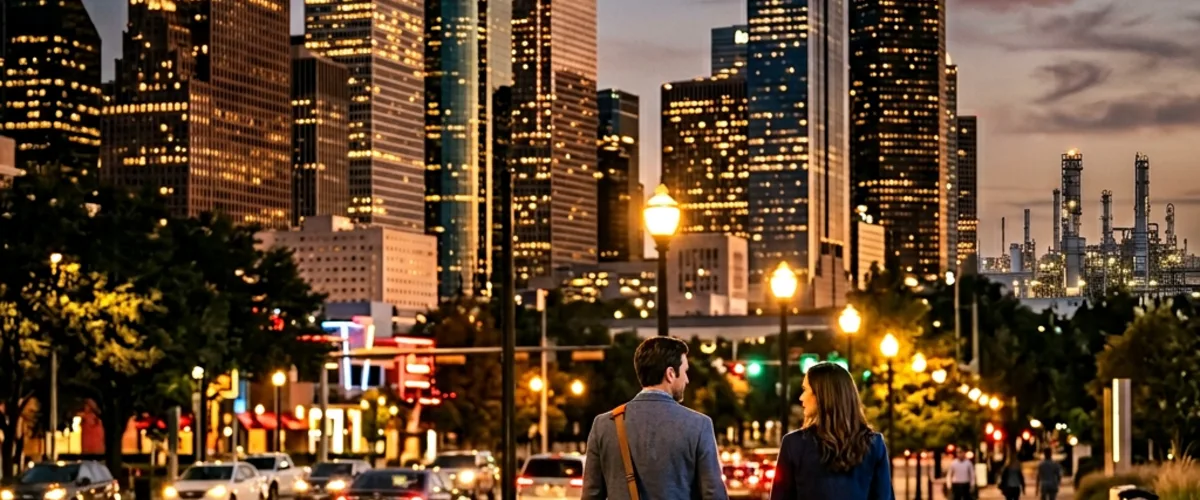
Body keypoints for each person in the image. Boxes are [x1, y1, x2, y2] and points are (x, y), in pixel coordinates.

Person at [581, 336, 727, 500]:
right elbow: (714, 495)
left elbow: (591, 496)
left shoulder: (604, 425)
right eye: (685, 371)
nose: (686, 379)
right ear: (670, 374)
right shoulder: (699, 425)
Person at [769, 362, 893, 500]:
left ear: (822, 395)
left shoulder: (794, 444)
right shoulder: (874, 444)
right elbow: (884, 496)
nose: (801, 397)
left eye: (805, 389)